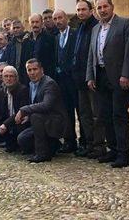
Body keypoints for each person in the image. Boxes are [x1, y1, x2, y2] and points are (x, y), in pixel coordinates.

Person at [87, 0, 129, 168]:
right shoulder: (95, 29)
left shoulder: (125, 23)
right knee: (105, 115)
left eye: (105, 6)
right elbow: (91, 55)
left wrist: (126, 74)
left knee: (119, 115)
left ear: (112, 7)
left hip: (118, 77)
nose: (102, 10)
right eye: (99, 8)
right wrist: (90, 76)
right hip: (100, 76)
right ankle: (112, 150)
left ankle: (123, 153)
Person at [16, 59, 68, 162]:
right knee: (22, 139)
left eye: (35, 69)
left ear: (41, 70)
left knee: (35, 116)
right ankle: (53, 145)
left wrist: (24, 110)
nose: (32, 73)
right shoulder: (31, 85)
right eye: (29, 70)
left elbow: (46, 105)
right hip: (41, 121)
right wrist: (27, 116)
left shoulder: (49, 84)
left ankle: (43, 153)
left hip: (55, 122)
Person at [73, 0, 103, 158]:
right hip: (80, 79)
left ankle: (99, 146)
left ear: (91, 10)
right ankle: (89, 144)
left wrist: (91, 75)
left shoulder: (96, 26)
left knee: (96, 114)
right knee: (84, 114)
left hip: (91, 78)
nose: (80, 12)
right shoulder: (80, 27)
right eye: (78, 10)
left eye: (84, 9)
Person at [53, 9, 79, 154]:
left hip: (74, 79)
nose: (58, 21)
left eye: (60, 18)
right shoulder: (57, 37)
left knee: (81, 111)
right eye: (55, 18)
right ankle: (70, 141)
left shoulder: (75, 34)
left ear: (66, 18)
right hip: (62, 81)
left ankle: (86, 141)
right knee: (66, 112)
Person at [0, 65, 29, 153]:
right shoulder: (1, 92)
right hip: (8, 122)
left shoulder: (23, 90)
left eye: (11, 76)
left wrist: (5, 124)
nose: (8, 79)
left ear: (16, 78)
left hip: (20, 122)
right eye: (6, 76)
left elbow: (20, 112)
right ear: (2, 78)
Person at [29, 13, 57, 79]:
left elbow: (53, 60)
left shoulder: (50, 39)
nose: (35, 24)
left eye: (37, 22)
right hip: (30, 77)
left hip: (46, 76)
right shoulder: (26, 40)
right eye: (32, 22)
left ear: (42, 23)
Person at [10, 19, 34, 85]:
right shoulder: (11, 44)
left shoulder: (29, 41)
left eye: (18, 27)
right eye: (14, 28)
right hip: (14, 76)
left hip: (27, 74)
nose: (15, 30)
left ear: (23, 28)